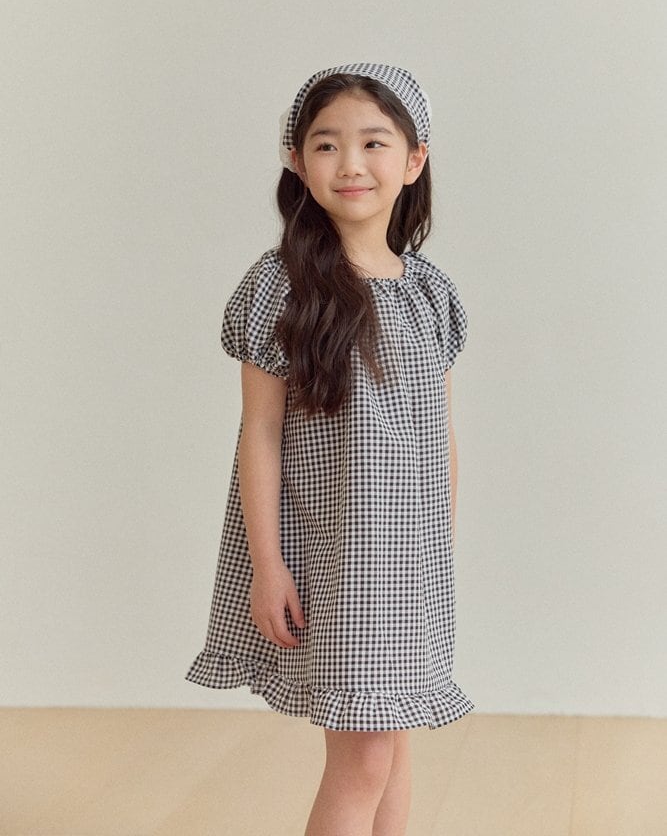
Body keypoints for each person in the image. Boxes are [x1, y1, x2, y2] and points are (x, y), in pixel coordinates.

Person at [185, 62, 474, 835]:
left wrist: (435, 549)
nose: (350, 164)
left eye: (373, 143)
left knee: (393, 743)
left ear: (413, 159)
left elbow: (437, 433)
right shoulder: (280, 286)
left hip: (409, 563)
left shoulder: (429, 292)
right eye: (325, 144)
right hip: (336, 557)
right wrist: (268, 564)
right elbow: (259, 432)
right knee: (365, 757)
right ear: (295, 160)